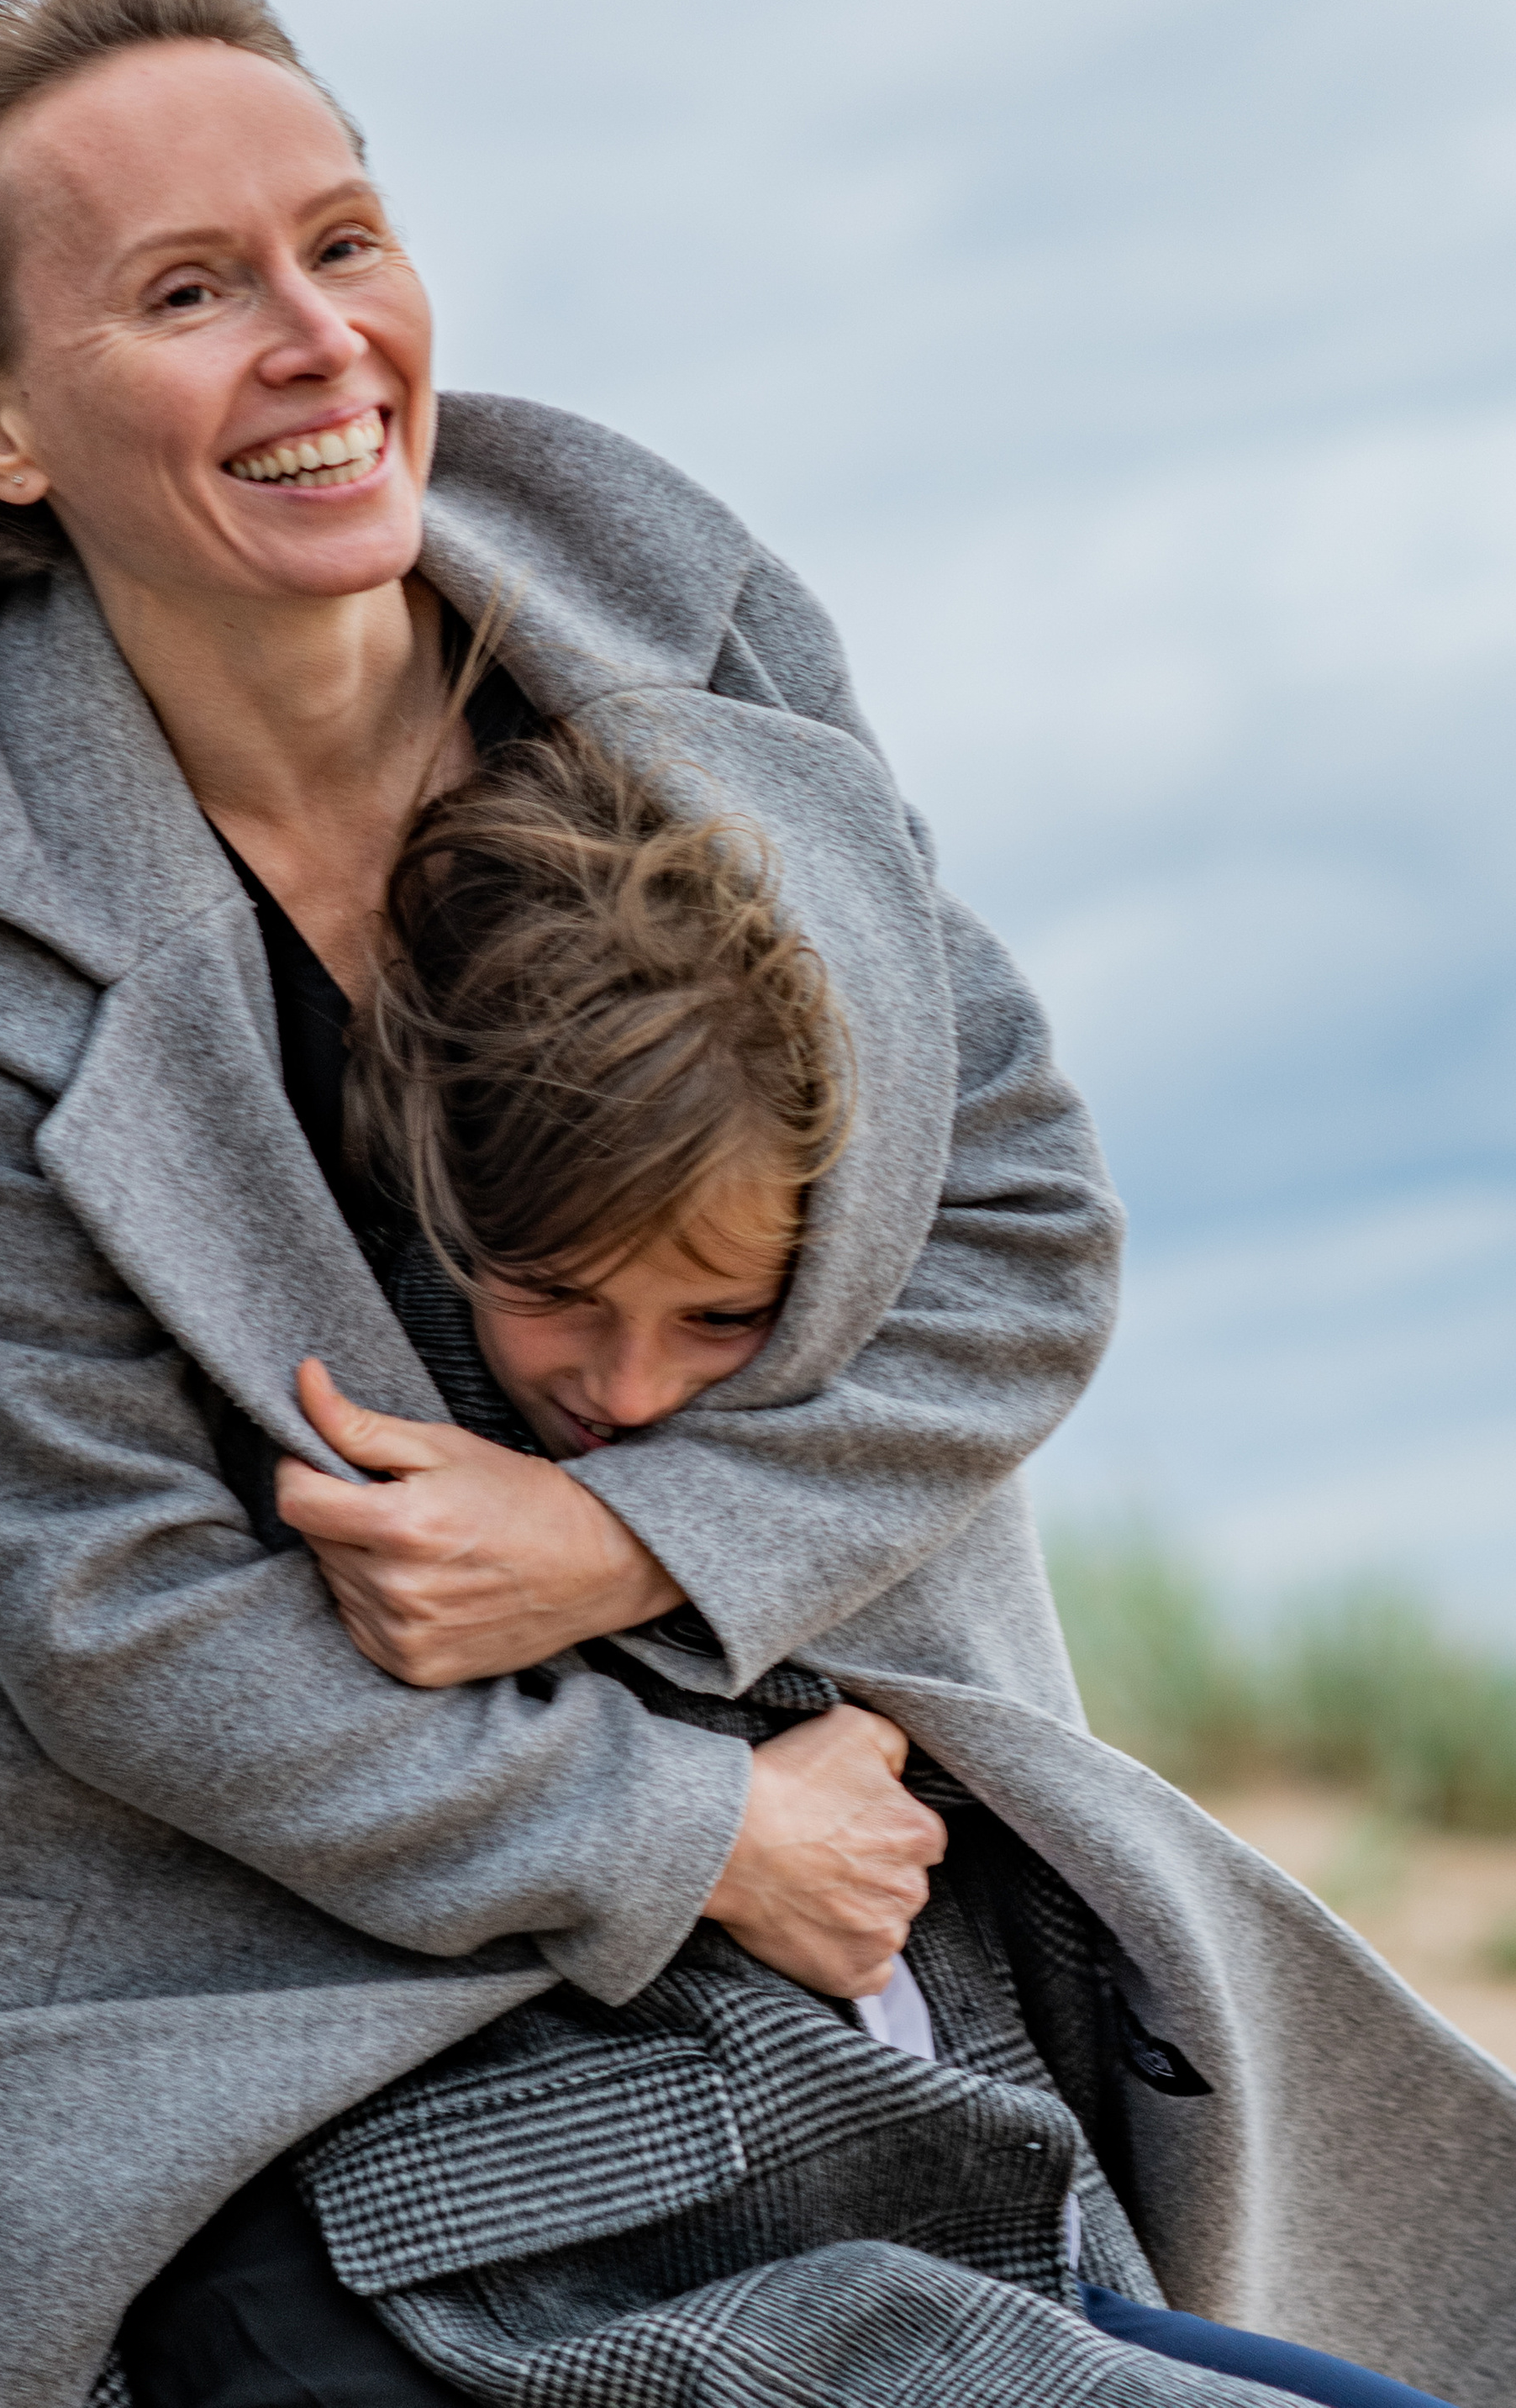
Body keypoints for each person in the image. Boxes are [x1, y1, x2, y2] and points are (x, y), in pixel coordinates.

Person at [0, 0, 1516, 2408]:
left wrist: (633, 1547)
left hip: (851, 1839)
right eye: (190, 291)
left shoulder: (682, 641)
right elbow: (124, 1631)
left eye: (345, 241)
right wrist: (680, 1838)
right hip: (239, 1966)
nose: (315, 339)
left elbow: (1019, 1225)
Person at [118, 725, 1470, 2408]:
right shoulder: (374, 1458)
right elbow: (209, 1721)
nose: (620, 1387)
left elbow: (1043, 1251)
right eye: (554, 1292)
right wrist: (722, 1837)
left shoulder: (847, 1413)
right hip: (648, 2243)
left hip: (967, 2182)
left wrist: (623, 1549)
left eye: (715, 1314)